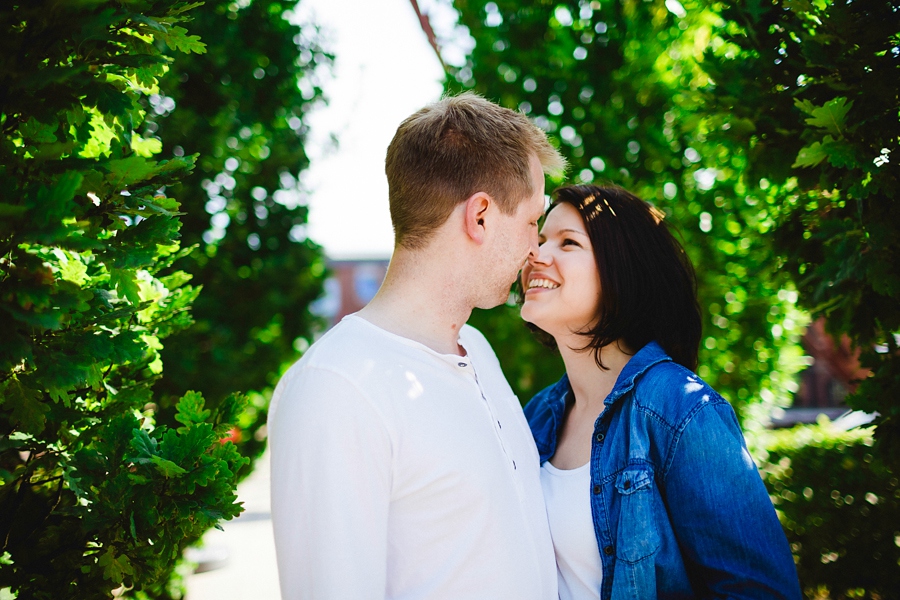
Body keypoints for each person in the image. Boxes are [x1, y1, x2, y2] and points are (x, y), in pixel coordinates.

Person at [268, 93, 566, 600]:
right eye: (532, 220)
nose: (536, 247)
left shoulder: (477, 351)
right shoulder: (336, 389)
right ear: (480, 217)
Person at [520, 185, 802, 599]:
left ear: (621, 269)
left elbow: (759, 591)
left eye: (568, 242)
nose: (536, 255)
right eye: (541, 239)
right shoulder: (539, 414)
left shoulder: (680, 408)